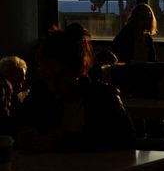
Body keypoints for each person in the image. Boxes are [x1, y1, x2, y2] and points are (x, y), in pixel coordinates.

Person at [15, 23, 135, 151]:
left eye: (59, 76)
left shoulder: (103, 98)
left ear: (78, 71)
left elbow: (126, 142)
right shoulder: (39, 94)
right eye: (47, 76)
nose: (52, 83)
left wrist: (67, 141)